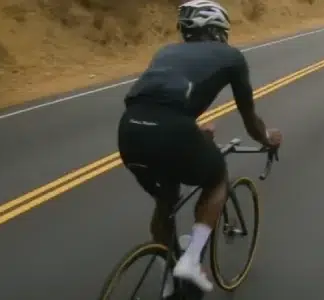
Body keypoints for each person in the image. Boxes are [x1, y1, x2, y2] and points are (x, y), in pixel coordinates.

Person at [116, 0, 282, 296]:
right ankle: (190, 261)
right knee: (216, 179)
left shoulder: (165, 52)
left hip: (129, 131)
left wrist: (193, 128)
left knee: (166, 202)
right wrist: (267, 139)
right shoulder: (231, 57)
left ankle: (172, 270)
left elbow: (159, 102)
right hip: (173, 132)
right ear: (218, 30)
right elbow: (249, 119)